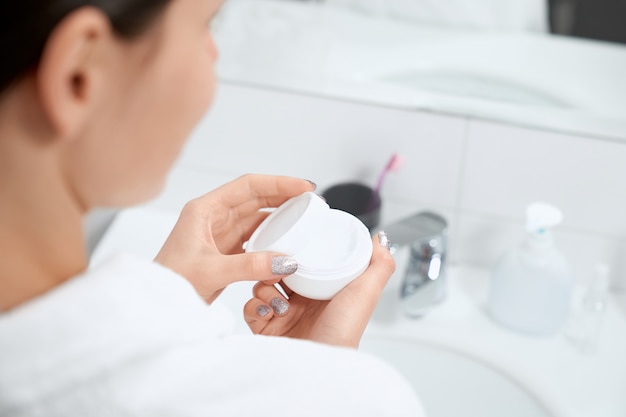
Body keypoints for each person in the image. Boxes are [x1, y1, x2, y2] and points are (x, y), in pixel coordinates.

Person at [0, 1, 424, 416]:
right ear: (79, 73)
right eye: (207, 25)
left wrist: (166, 297)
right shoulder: (363, 399)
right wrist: (320, 384)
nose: (214, 54)